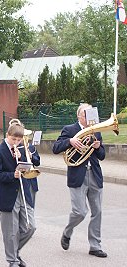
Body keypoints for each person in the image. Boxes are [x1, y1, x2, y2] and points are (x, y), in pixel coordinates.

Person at [53, 103, 107, 258]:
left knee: (97, 211)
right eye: (86, 113)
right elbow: (56, 148)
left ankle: (95, 246)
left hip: (95, 175)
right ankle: (67, 232)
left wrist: (97, 147)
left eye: (91, 113)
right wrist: (70, 141)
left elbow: (102, 156)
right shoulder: (69, 130)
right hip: (77, 175)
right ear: (79, 116)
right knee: (80, 212)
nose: (90, 116)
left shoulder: (96, 131)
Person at [0, 122, 35, 267]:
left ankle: (15, 252)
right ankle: (13, 261)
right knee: (10, 232)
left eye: (19, 140)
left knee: (30, 227)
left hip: (24, 193)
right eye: (14, 139)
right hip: (9, 194)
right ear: (7, 136)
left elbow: (30, 167)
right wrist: (12, 174)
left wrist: (25, 157)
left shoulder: (22, 149)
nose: (16, 142)